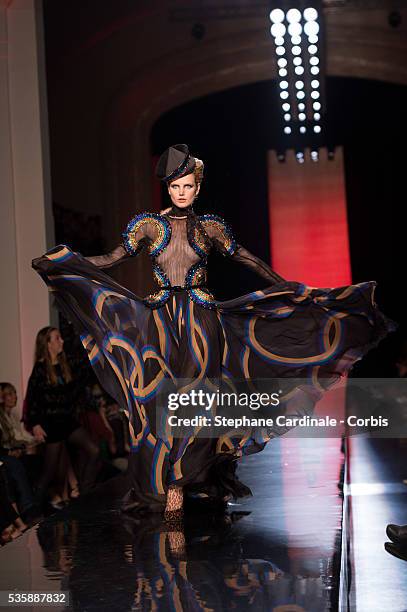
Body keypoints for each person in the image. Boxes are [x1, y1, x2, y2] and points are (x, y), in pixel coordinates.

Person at [32, 143, 395, 522]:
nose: (181, 192)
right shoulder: (148, 226)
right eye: (175, 186)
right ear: (168, 188)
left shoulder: (209, 228)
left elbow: (249, 259)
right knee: (163, 400)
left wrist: (293, 290)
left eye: (187, 185)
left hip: (203, 323)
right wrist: (63, 262)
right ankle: (180, 480)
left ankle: (177, 484)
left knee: (201, 397)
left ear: (197, 187)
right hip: (160, 320)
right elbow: (108, 261)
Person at [25, 327, 100, 508]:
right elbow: (32, 399)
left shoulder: (67, 364)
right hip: (51, 424)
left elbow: (82, 377)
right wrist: (35, 424)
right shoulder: (40, 369)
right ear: (48, 343)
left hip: (68, 421)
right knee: (50, 472)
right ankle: (32, 509)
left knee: (94, 451)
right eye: (57, 338)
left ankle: (84, 493)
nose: (62, 341)